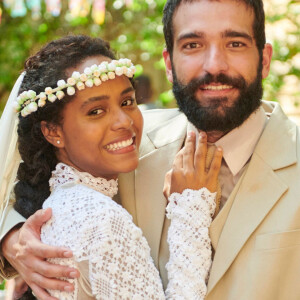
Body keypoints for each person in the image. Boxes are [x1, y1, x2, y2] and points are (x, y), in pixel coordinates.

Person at [1, 0, 300, 299]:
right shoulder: (121, 149)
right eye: (193, 44)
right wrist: (14, 241)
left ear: (264, 59)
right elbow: (21, 182)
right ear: (169, 64)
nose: (214, 65)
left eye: (235, 43)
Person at [0, 34, 222, 299]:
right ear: (52, 131)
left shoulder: (59, 207)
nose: (123, 122)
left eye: (127, 102)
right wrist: (190, 209)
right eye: (96, 111)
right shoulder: (101, 220)